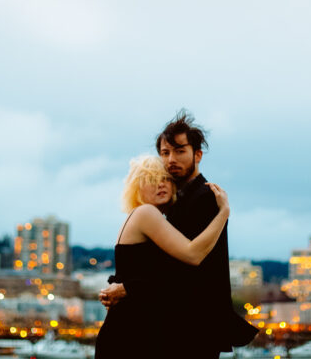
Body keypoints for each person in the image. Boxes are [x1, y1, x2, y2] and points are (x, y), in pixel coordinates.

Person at [100, 111, 258, 358]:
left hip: (192, 328)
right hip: (174, 329)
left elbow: (186, 268)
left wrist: (127, 288)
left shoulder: (204, 198)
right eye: (165, 153)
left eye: (179, 151)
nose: (171, 159)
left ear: (198, 155)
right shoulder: (170, 206)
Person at [94, 155, 230, 359]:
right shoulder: (146, 213)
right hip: (131, 333)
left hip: (131, 329)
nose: (161, 185)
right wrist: (223, 214)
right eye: (151, 180)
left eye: (165, 179)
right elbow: (193, 254)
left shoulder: (146, 218)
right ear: (137, 189)